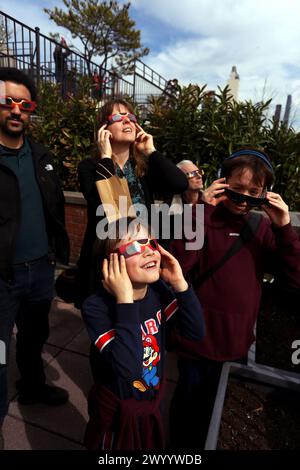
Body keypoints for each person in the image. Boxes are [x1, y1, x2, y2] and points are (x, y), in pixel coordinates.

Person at [169, 148, 300, 449]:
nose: (243, 201)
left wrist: (284, 227)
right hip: (197, 340)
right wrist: (201, 211)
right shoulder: (204, 218)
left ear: (266, 194)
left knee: (214, 411)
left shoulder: (261, 228)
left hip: (235, 342)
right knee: (187, 407)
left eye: (253, 193)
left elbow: (295, 277)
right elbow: (179, 264)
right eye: (236, 190)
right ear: (222, 182)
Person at [81, 217, 205, 450]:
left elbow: (195, 332)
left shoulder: (158, 291)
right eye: (134, 247)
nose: (148, 251)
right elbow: (127, 370)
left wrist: (179, 283)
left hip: (151, 400)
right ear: (110, 264)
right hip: (117, 414)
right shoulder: (97, 307)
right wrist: (125, 301)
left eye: (151, 243)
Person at [0, 68, 70, 447]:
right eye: (7, 101)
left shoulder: (42, 156)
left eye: (24, 104)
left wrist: (55, 256)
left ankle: (32, 387)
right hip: (3, 276)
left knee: (33, 337)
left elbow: (53, 206)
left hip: (40, 271)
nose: (16, 110)